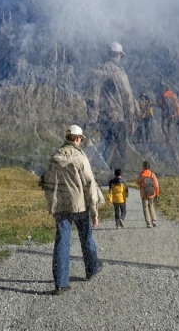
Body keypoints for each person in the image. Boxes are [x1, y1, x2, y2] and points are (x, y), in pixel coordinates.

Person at [42, 124, 103, 294]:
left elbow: (48, 185)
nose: (81, 141)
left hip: (61, 206)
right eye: (81, 139)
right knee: (86, 238)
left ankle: (61, 283)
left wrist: (51, 206)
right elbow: (90, 186)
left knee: (62, 241)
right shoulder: (80, 159)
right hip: (80, 206)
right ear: (77, 138)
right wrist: (94, 212)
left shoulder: (54, 158)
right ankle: (91, 270)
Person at [86, 42, 139, 170]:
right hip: (116, 118)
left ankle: (97, 171)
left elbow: (90, 97)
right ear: (117, 55)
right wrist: (131, 122)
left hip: (101, 118)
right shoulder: (119, 73)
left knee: (106, 145)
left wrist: (92, 118)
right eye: (120, 55)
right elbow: (127, 98)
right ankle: (114, 181)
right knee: (120, 152)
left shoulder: (97, 71)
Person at [137, 160, 159, 228]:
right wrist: (157, 194)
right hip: (151, 193)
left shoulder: (142, 175)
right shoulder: (152, 175)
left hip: (143, 194)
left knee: (145, 208)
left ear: (143, 167)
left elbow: (138, 182)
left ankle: (148, 223)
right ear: (149, 167)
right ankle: (154, 220)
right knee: (151, 206)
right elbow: (156, 185)